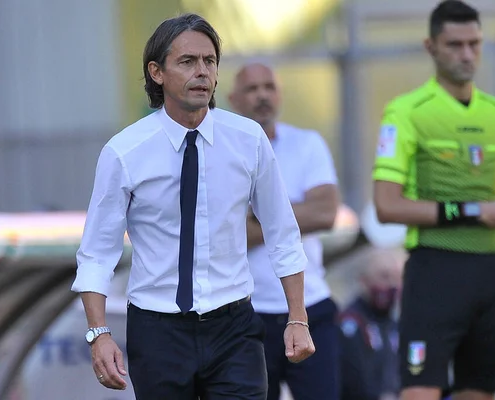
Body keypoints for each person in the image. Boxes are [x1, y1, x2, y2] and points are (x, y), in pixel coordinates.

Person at [71, 13, 315, 400]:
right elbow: (98, 252)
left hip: (234, 326)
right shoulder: (124, 152)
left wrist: (297, 317)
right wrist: (98, 333)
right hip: (158, 330)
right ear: (157, 72)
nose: (202, 72)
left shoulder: (248, 139)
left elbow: (282, 231)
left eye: (210, 61)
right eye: (187, 62)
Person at [372, 2, 495, 400]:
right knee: (417, 392)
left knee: (480, 393)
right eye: (455, 44)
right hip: (436, 272)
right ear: (431, 46)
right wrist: (469, 211)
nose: (467, 54)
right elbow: (386, 205)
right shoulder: (406, 112)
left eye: (474, 44)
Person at [228, 63, 341, 400]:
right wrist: (292, 213)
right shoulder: (221, 151)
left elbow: (326, 213)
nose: (262, 95)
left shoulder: (307, 143)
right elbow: (225, 233)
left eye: (269, 87)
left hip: (311, 307)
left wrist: (256, 218)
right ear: (233, 99)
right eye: (252, 89)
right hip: (247, 314)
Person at [338, 247, 404, 400]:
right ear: (364, 280)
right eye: (384, 277)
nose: (391, 285)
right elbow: (354, 379)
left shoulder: (395, 325)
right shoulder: (349, 324)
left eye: (396, 278)